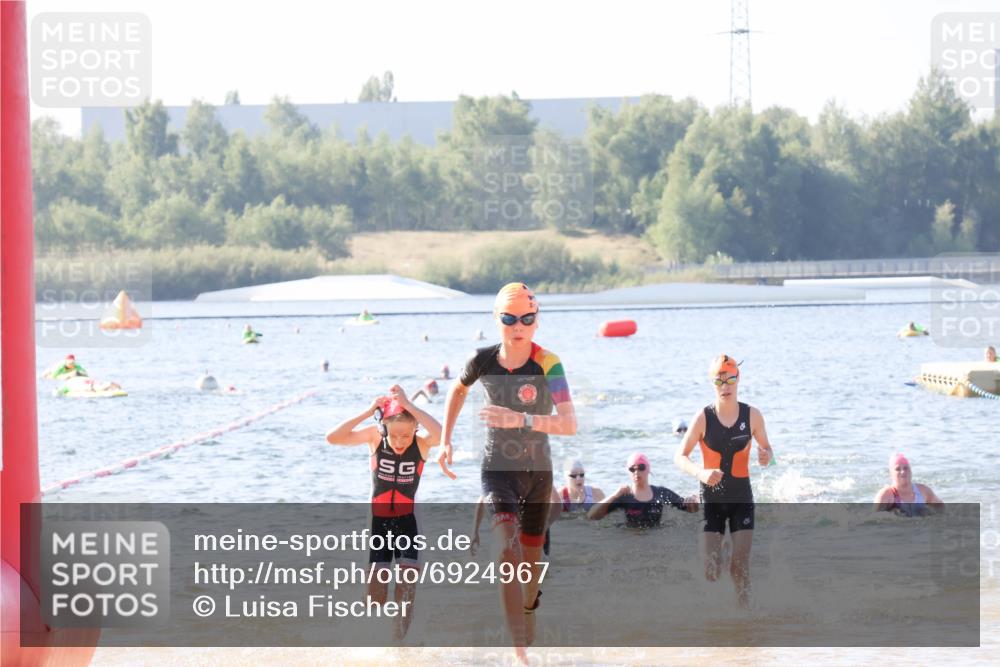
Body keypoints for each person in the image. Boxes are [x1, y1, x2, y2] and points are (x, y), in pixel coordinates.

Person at [438, 282, 576, 659]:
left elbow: (568, 424)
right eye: (510, 318)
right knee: (505, 553)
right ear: (496, 319)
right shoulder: (480, 360)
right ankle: (517, 649)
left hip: (538, 474)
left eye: (527, 318)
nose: (519, 325)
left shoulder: (549, 363)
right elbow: (457, 391)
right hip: (496, 469)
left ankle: (529, 610)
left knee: (530, 572)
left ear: (536, 321)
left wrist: (519, 418)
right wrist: (445, 440)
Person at [325, 385, 442, 643]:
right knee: (376, 593)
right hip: (378, 523)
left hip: (409, 522)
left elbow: (441, 434)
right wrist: (367, 411)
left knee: (405, 588)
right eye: (395, 435)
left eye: (406, 435)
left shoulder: (421, 444)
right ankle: (371, 640)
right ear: (384, 428)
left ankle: (399, 645)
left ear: (415, 430)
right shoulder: (375, 438)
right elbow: (332, 437)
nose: (400, 442)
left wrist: (410, 406)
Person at [674, 354, 774, 609]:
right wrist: (701, 473)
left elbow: (768, 452)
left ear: (738, 379)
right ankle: (721, 550)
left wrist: (765, 458)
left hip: (741, 499)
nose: (725, 386)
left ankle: (745, 618)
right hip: (712, 500)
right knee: (712, 571)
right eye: (719, 381)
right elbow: (680, 457)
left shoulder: (753, 416)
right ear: (713, 384)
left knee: (739, 568)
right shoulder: (702, 418)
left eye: (730, 379)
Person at [587, 453, 697, 527]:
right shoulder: (624, 496)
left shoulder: (661, 493)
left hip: (655, 537)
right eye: (632, 469)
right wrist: (614, 496)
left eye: (641, 467)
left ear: (648, 469)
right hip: (631, 538)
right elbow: (592, 516)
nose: (636, 472)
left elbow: (691, 510)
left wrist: (693, 500)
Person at [874, 453, 943, 517]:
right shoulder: (885, 495)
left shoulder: (923, 491)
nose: (903, 471)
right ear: (891, 474)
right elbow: (875, 521)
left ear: (911, 470)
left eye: (906, 468)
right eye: (897, 469)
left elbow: (942, 508)